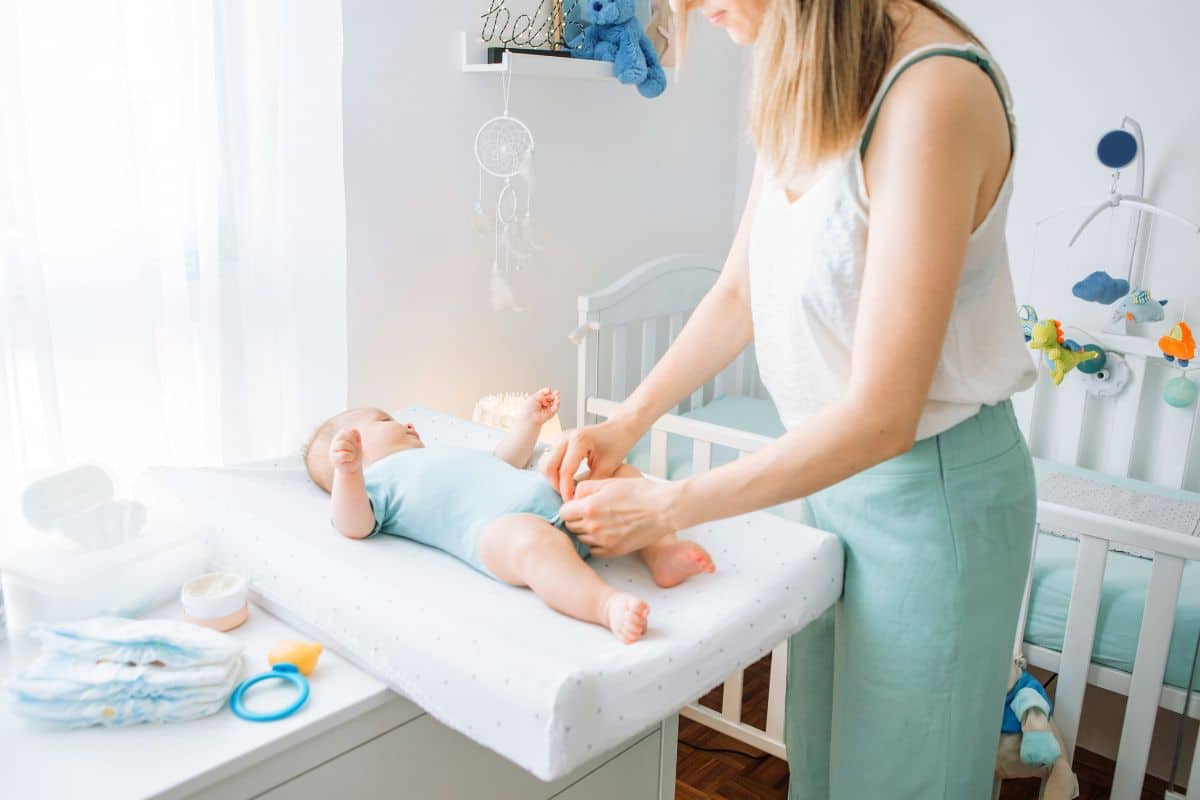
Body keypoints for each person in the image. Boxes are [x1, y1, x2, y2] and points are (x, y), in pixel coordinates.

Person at [544, 1, 1038, 796]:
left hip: (929, 499)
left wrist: (670, 506)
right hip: (830, 482)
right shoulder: (808, 74)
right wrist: (625, 423)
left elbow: (883, 418)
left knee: (902, 781)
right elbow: (740, 291)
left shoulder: (933, 92)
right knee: (824, 768)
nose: (691, 10)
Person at [302, 388, 714, 644]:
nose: (405, 423)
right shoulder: (375, 481)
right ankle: (605, 605)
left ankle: (661, 552)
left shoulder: (440, 454)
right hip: (499, 532)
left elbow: (504, 459)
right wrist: (348, 473)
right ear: (355, 448)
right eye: (385, 420)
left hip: (564, 501)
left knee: (620, 475)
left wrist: (529, 423)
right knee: (531, 544)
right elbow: (353, 525)